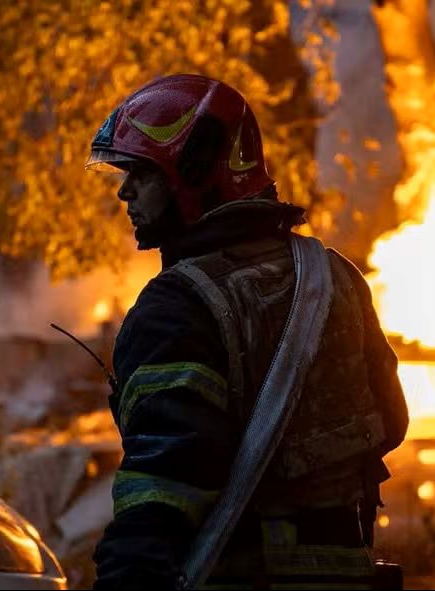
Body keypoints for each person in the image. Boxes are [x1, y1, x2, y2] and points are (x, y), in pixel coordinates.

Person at [85, 74, 408, 590]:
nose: (125, 191)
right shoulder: (334, 277)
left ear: (192, 172)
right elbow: (391, 423)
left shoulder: (177, 306)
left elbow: (163, 486)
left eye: (142, 174)